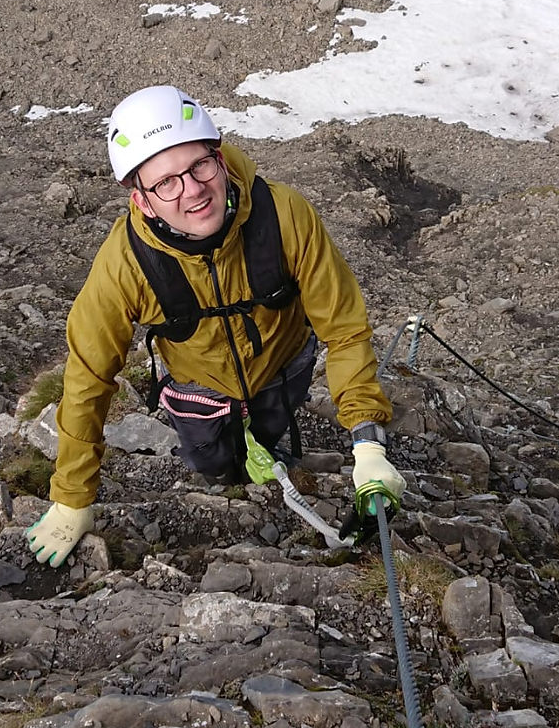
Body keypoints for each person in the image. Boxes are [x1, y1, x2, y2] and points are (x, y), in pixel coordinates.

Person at [27, 85, 405, 567]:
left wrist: (367, 441)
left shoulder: (285, 217)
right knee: (209, 460)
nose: (192, 190)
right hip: (197, 384)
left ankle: (267, 466)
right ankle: (226, 481)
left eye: (199, 166)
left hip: (282, 363)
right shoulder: (124, 267)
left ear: (220, 157)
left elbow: (345, 329)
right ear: (142, 201)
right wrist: (72, 495)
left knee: (273, 433)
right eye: (166, 183)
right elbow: (87, 379)